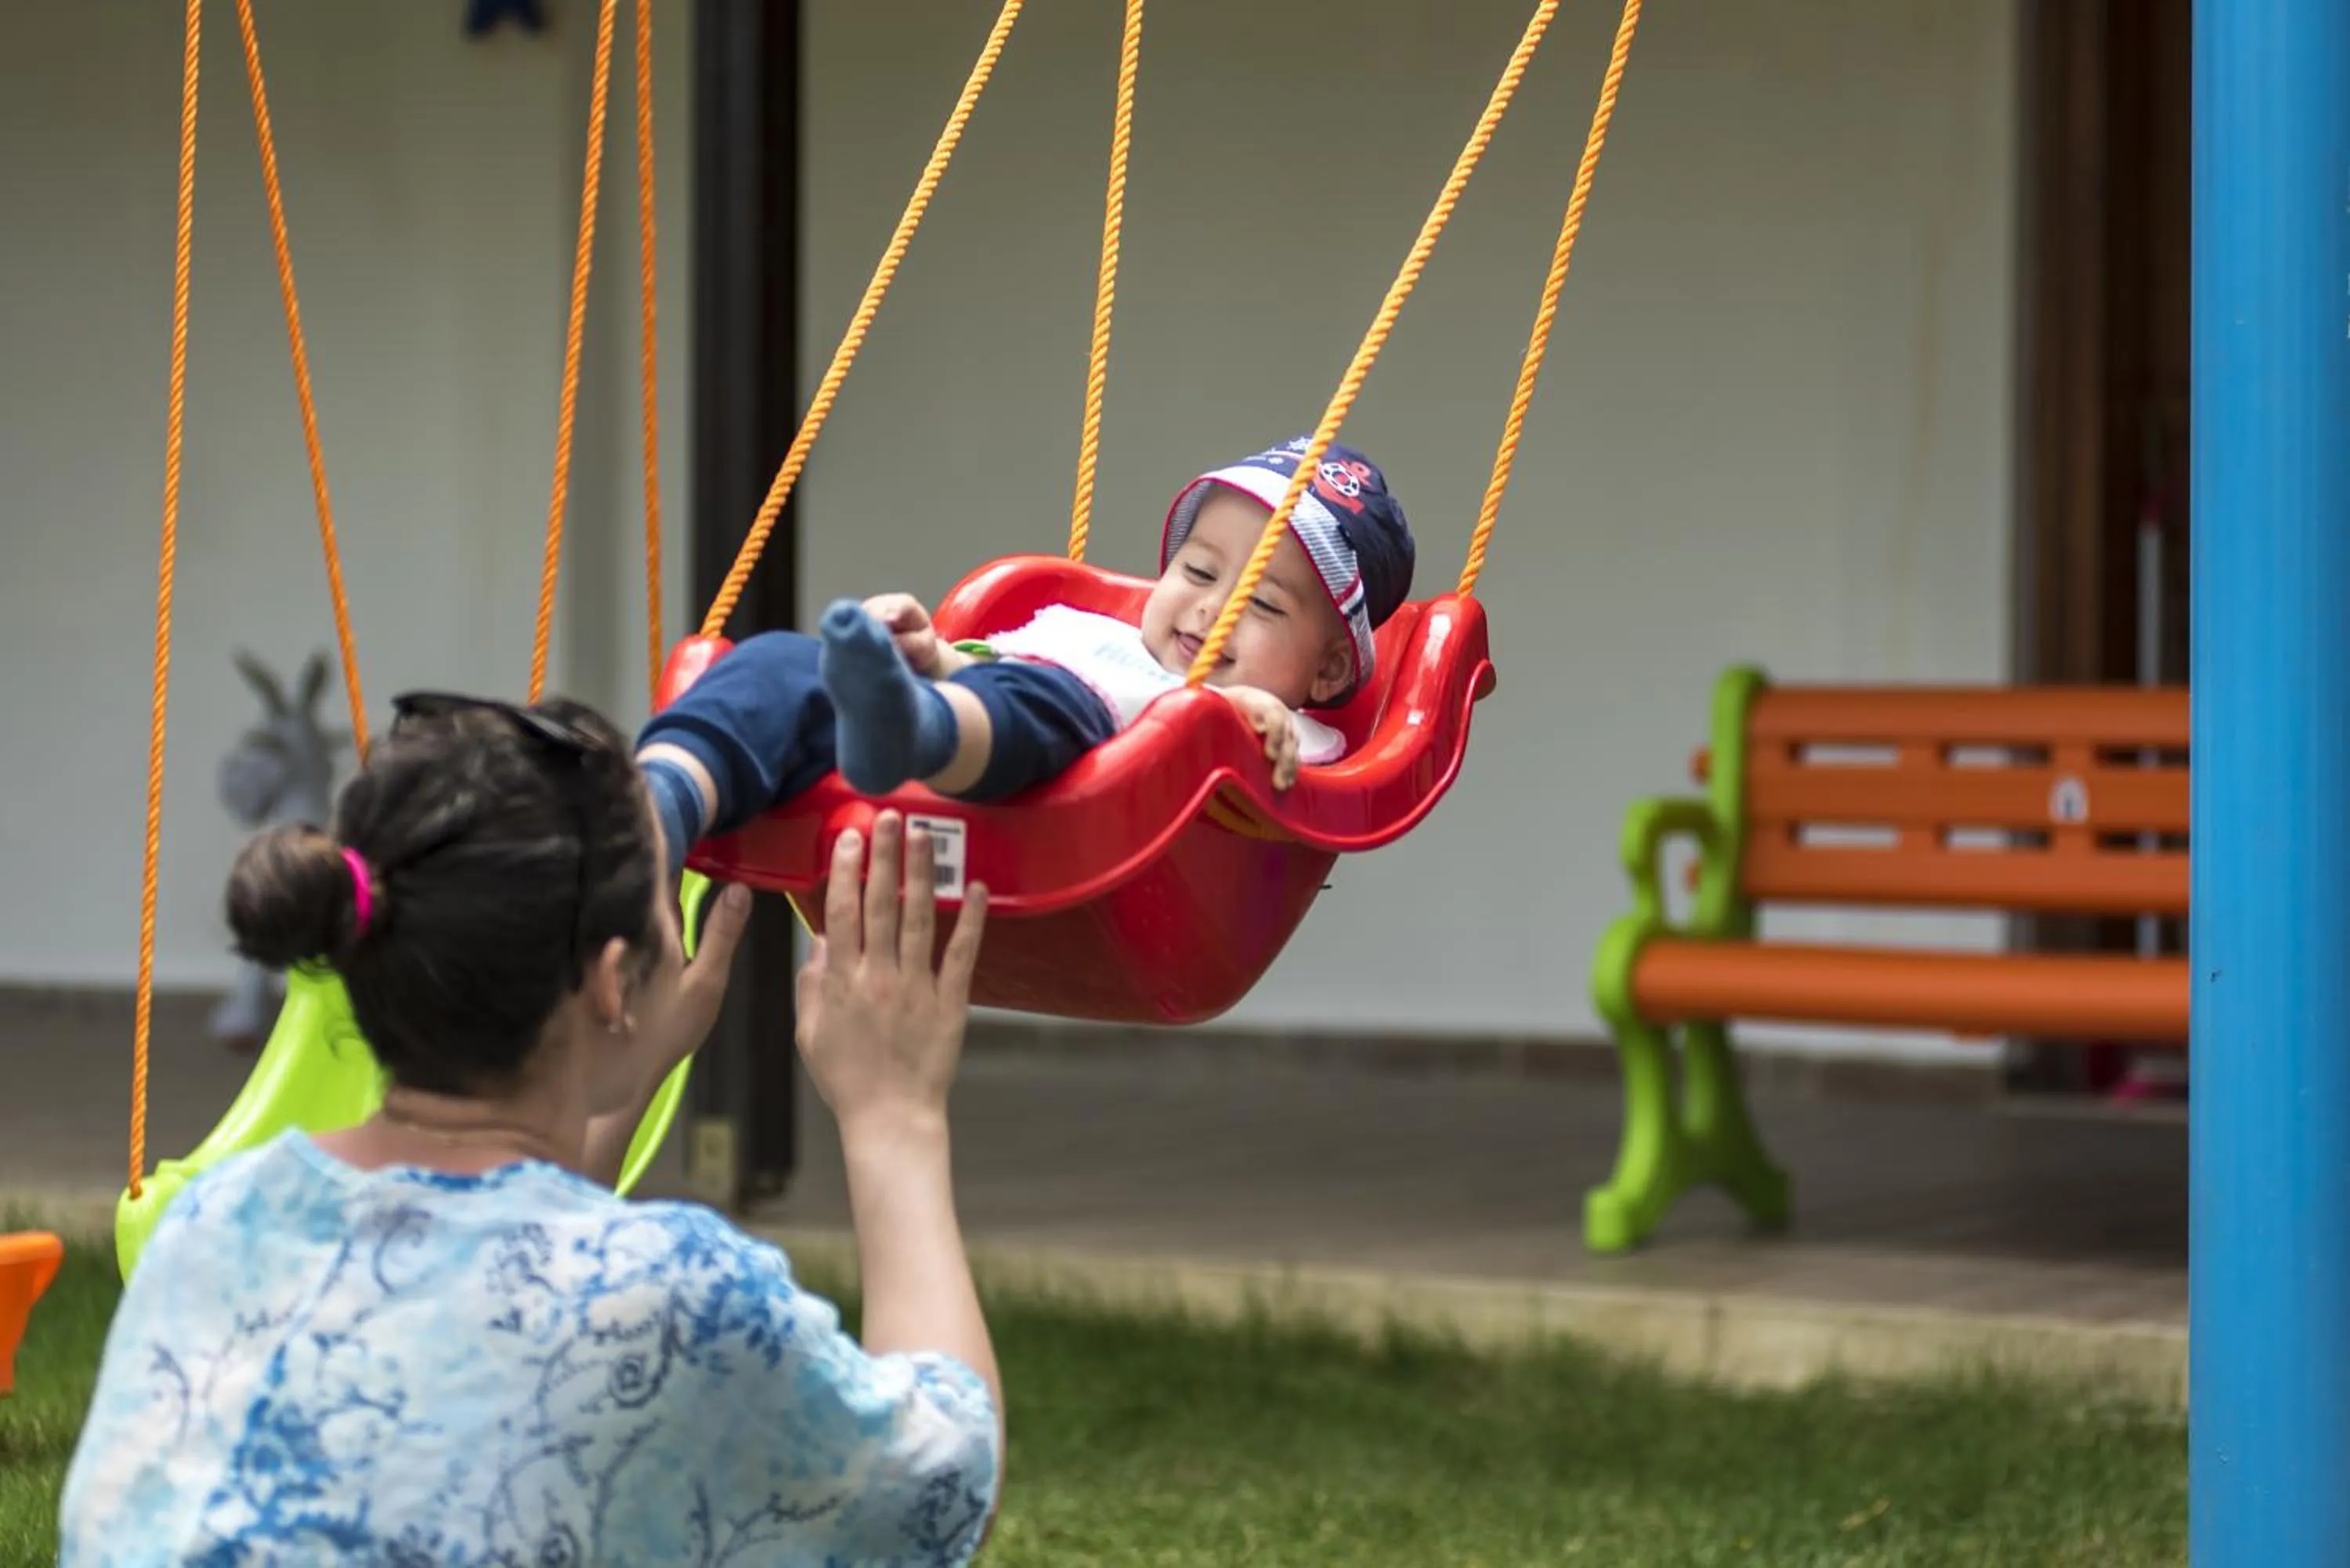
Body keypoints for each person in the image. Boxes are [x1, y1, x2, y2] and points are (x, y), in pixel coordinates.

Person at [59, 692, 1003, 1568]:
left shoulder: (217, 1228)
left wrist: (619, 1070)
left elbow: (512, 1292)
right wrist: (895, 1115)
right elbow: (937, 1486)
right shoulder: (674, 1296)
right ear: (607, 977)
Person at [634, 436, 1416, 870]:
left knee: (1046, 707)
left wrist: (1244, 720)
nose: (1212, 609)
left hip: (1068, 775)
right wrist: (927, 654)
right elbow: (989, 662)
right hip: (977, 704)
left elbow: (1273, 769)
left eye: (1262, 604)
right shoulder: (1088, 634)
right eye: (1200, 571)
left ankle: (910, 727)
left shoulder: (1285, 723)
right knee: (777, 663)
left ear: (1329, 669)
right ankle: (662, 803)